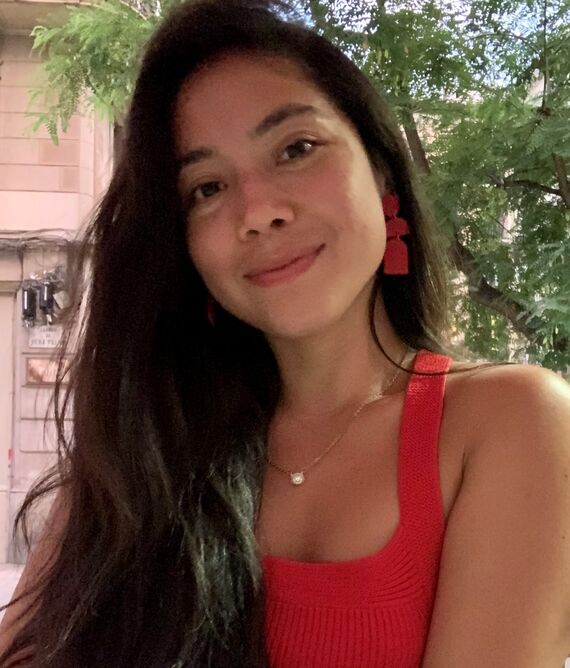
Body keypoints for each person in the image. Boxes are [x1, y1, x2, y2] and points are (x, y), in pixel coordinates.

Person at [1, 1, 569, 666]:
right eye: (206, 188)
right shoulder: (142, 454)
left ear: (381, 172)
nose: (258, 211)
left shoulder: (511, 422)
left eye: (296, 149)